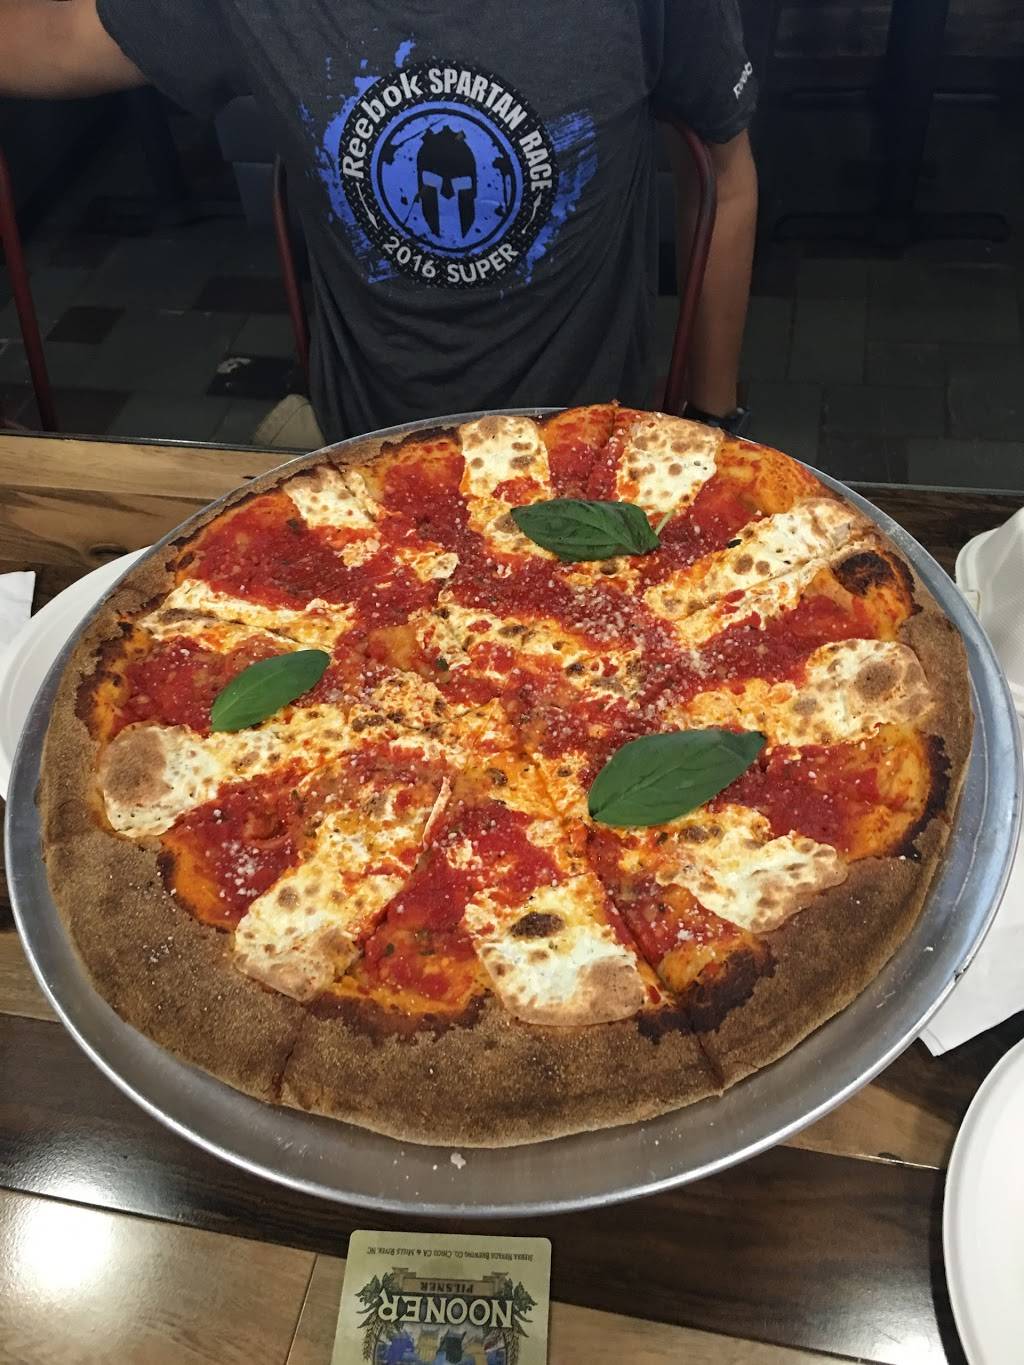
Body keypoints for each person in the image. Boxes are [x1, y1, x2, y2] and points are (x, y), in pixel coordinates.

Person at [1, 0, 758, 443]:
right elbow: (53, 42)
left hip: (589, 447)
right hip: (362, 451)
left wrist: (712, 419)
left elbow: (724, 182)